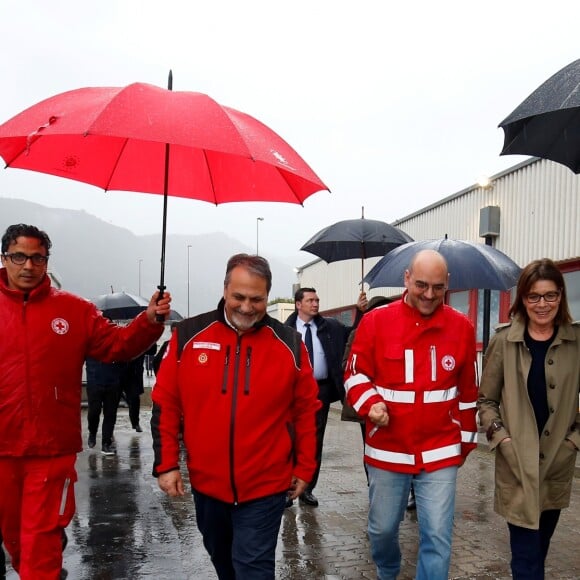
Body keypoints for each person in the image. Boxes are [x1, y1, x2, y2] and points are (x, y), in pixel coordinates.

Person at [0, 223, 172, 580]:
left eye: (38, 258)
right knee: (15, 539)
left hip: (51, 449)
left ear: (47, 262)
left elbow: (118, 346)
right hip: (3, 447)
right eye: (19, 257)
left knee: (40, 541)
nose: (28, 266)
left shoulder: (75, 310)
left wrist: (150, 320)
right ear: (5, 258)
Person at [152, 254, 320, 580]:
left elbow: (306, 411)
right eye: (238, 297)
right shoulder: (189, 335)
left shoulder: (289, 344)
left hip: (266, 486)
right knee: (224, 562)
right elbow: (166, 403)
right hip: (207, 486)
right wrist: (167, 463)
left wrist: (304, 467)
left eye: (256, 299)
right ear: (225, 289)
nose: (246, 307)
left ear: (268, 296)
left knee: (253, 568)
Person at [344, 249, 478, 580]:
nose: (429, 295)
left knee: (437, 537)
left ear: (447, 284)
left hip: (441, 451)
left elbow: (469, 393)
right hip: (387, 450)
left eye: (437, 287)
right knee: (382, 530)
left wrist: (464, 445)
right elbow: (355, 373)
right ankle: (388, 571)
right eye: (421, 285)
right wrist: (370, 402)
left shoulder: (462, 328)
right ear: (406, 279)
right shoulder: (376, 322)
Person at [478, 258, 579, 580]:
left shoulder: (576, 342)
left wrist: (572, 442)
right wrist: (502, 440)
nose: (542, 304)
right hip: (516, 466)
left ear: (561, 296)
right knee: (525, 559)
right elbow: (486, 401)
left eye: (550, 295)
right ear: (522, 298)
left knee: (540, 548)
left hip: (556, 465)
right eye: (533, 296)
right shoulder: (504, 342)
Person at [285, 286, 368, 507]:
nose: (315, 304)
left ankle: (307, 489)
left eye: (317, 300)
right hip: (292, 394)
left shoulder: (329, 326)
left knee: (314, 441)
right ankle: (286, 489)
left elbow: (354, 334)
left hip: (320, 391)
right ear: (298, 304)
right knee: (290, 442)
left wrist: (360, 312)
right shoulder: (286, 330)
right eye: (311, 300)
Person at [341, 295, 392, 483]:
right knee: (371, 447)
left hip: (396, 403)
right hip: (369, 402)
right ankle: (374, 483)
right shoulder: (358, 333)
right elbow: (347, 365)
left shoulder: (401, 333)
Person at [85, 357, 127, 455]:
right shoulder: (92, 344)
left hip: (113, 382)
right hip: (94, 381)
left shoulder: (115, 344)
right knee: (94, 411)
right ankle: (92, 432)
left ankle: (106, 443)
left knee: (110, 414)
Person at [119, 344, 156, 432]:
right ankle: (110, 430)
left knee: (134, 399)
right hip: (118, 372)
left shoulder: (139, 338)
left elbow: (152, 351)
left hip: (134, 373)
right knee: (112, 401)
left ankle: (135, 423)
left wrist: (151, 337)